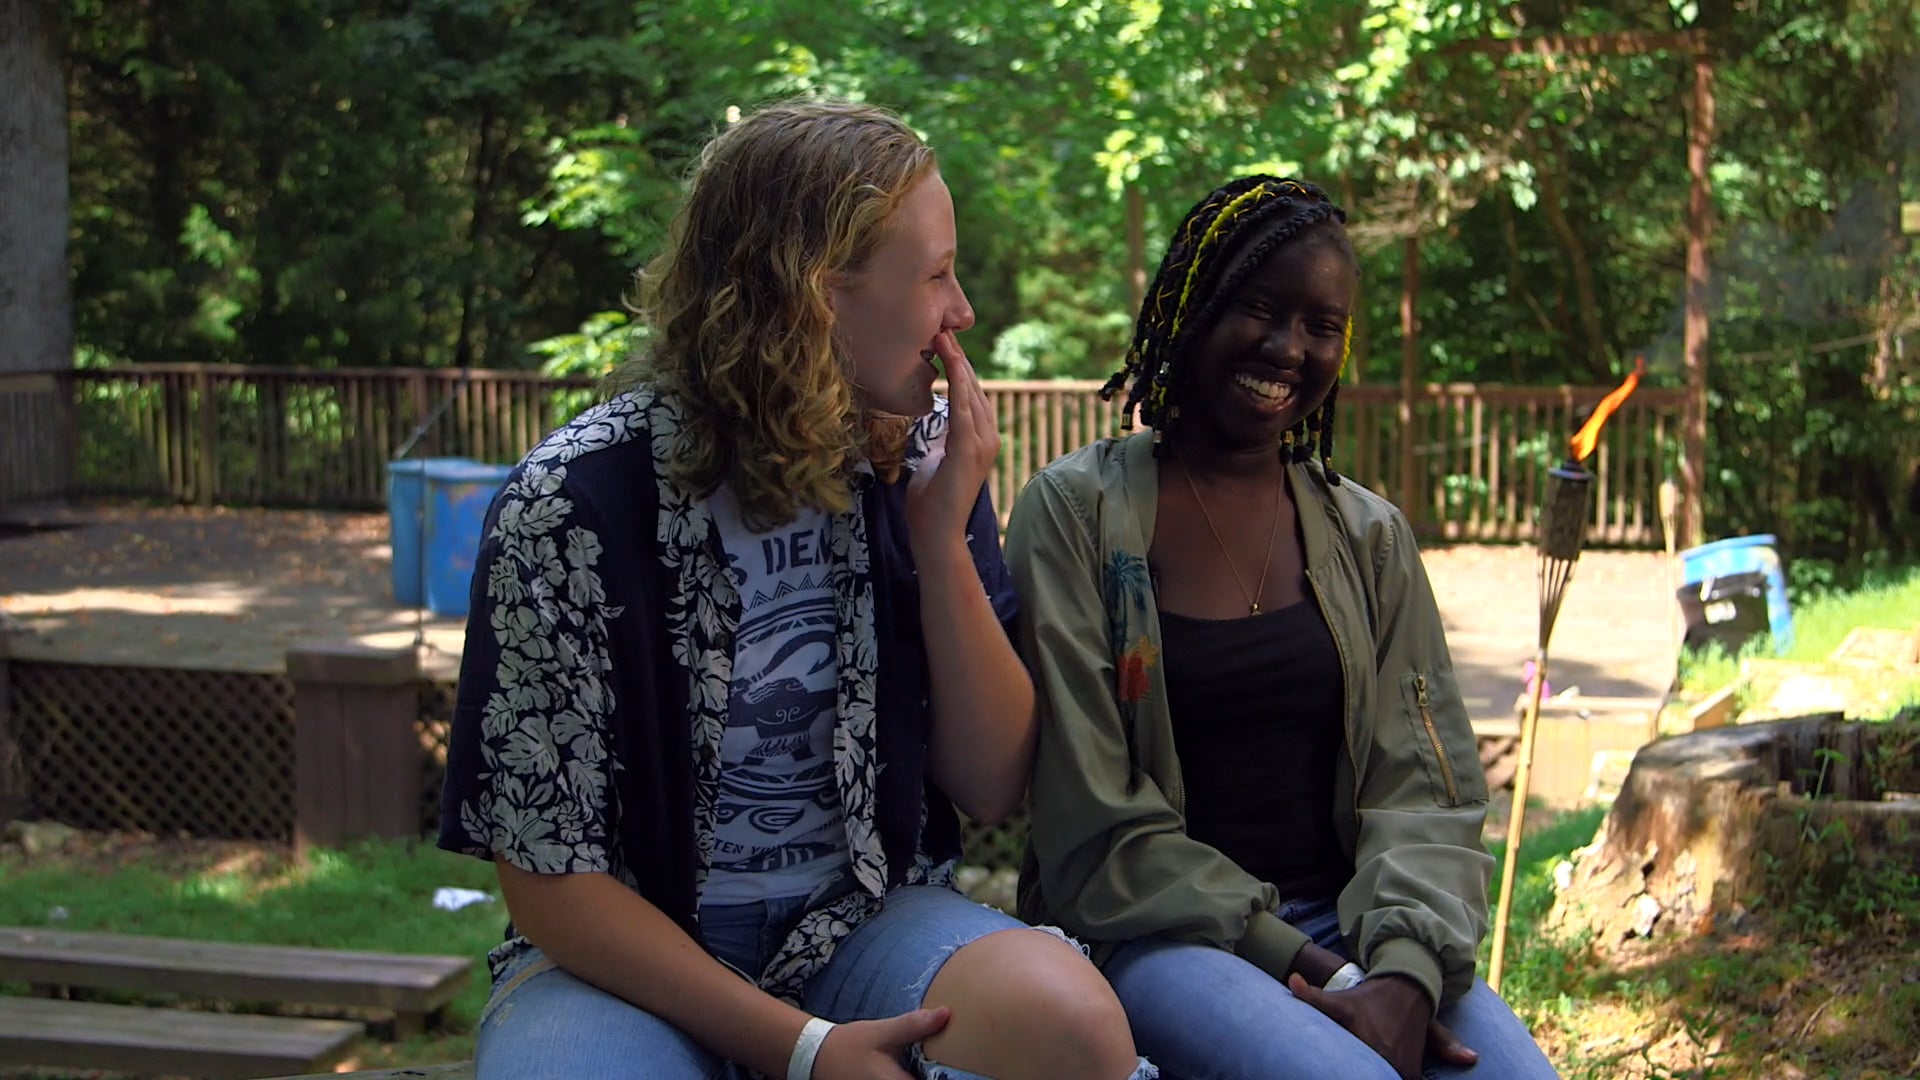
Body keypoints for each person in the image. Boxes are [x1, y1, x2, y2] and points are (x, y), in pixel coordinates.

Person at [438, 99, 1153, 1080]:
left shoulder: (919, 464)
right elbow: (551, 885)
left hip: (862, 920)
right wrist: (806, 1051)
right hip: (625, 952)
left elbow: (991, 783)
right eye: (936, 276)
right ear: (818, 295)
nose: (961, 313)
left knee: (1074, 1027)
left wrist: (940, 536)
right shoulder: (571, 504)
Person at [1005, 176, 1559, 1080]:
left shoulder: (1370, 539)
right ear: (1190, 306)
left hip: (1358, 921)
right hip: (1151, 933)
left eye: (1321, 326)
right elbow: (1094, 823)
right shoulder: (1075, 517)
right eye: (1259, 309)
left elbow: (1425, 793)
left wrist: (1404, 974)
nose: (1287, 348)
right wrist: (1327, 973)